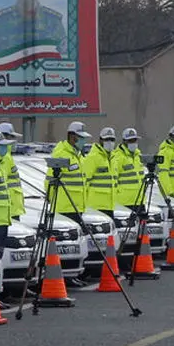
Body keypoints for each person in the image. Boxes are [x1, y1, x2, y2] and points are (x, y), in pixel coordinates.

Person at [47, 121, 91, 286]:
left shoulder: (78, 155)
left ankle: (72, 275)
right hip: (64, 207)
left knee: (74, 245)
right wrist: (52, 200)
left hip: (77, 206)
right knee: (64, 245)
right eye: (81, 138)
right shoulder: (61, 153)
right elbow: (50, 180)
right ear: (72, 137)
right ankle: (64, 276)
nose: (83, 142)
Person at [0, 122, 25, 224]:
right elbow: (2, 183)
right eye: (12, 137)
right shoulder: (5, 157)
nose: (15, 141)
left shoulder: (7, 155)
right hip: (9, 209)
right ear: (5, 137)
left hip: (12, 208)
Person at [83, 127, 117, 215]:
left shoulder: (113, 158)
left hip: (110, 205)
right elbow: (84, 181)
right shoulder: (93, 157)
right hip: (95, 206)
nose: (109, 142)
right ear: (100, 140)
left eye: (112, 139)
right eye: (107, 139)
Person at [112, 128, 145, 213]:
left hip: (140, 200)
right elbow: (114, 178)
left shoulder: (138, 156)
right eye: (130, 141)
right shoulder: (118, 157)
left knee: (142, 225)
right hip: (124, 201)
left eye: (135, 140)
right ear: (124, 141)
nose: (133, 143)